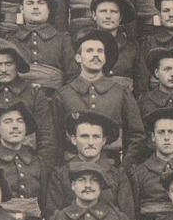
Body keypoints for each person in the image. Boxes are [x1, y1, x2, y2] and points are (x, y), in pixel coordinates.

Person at [57, 29, 144, 162]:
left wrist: (124, 168)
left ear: (105, 58)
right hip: (73, 167)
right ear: (78, 58)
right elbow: (56, 139)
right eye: (89, 51)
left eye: (100, 51)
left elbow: (136, 136)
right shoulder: (64, 94)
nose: (95, 55)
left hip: (112, 166)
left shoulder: (121, 93)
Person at [0, 40, 60, 163]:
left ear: (17, 64)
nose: (3, 69)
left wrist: (40, 169)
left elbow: (47, 138)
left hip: (28, 163)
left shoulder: (34, 93)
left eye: (9, 64)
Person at [46, 112, 136, 220]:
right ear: (74, 139)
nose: (90, 142)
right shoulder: (60, 174)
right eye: (84, 136)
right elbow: (53, 218)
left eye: (96, 137)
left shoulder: (118, 175)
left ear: (103, 141)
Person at [83, 0, 142, 86]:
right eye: (103, 11)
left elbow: (140, 85)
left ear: (121, 16)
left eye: (114, 12)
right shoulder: (84, 45)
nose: (108, 16)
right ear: (94, 15)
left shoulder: (132, 48)